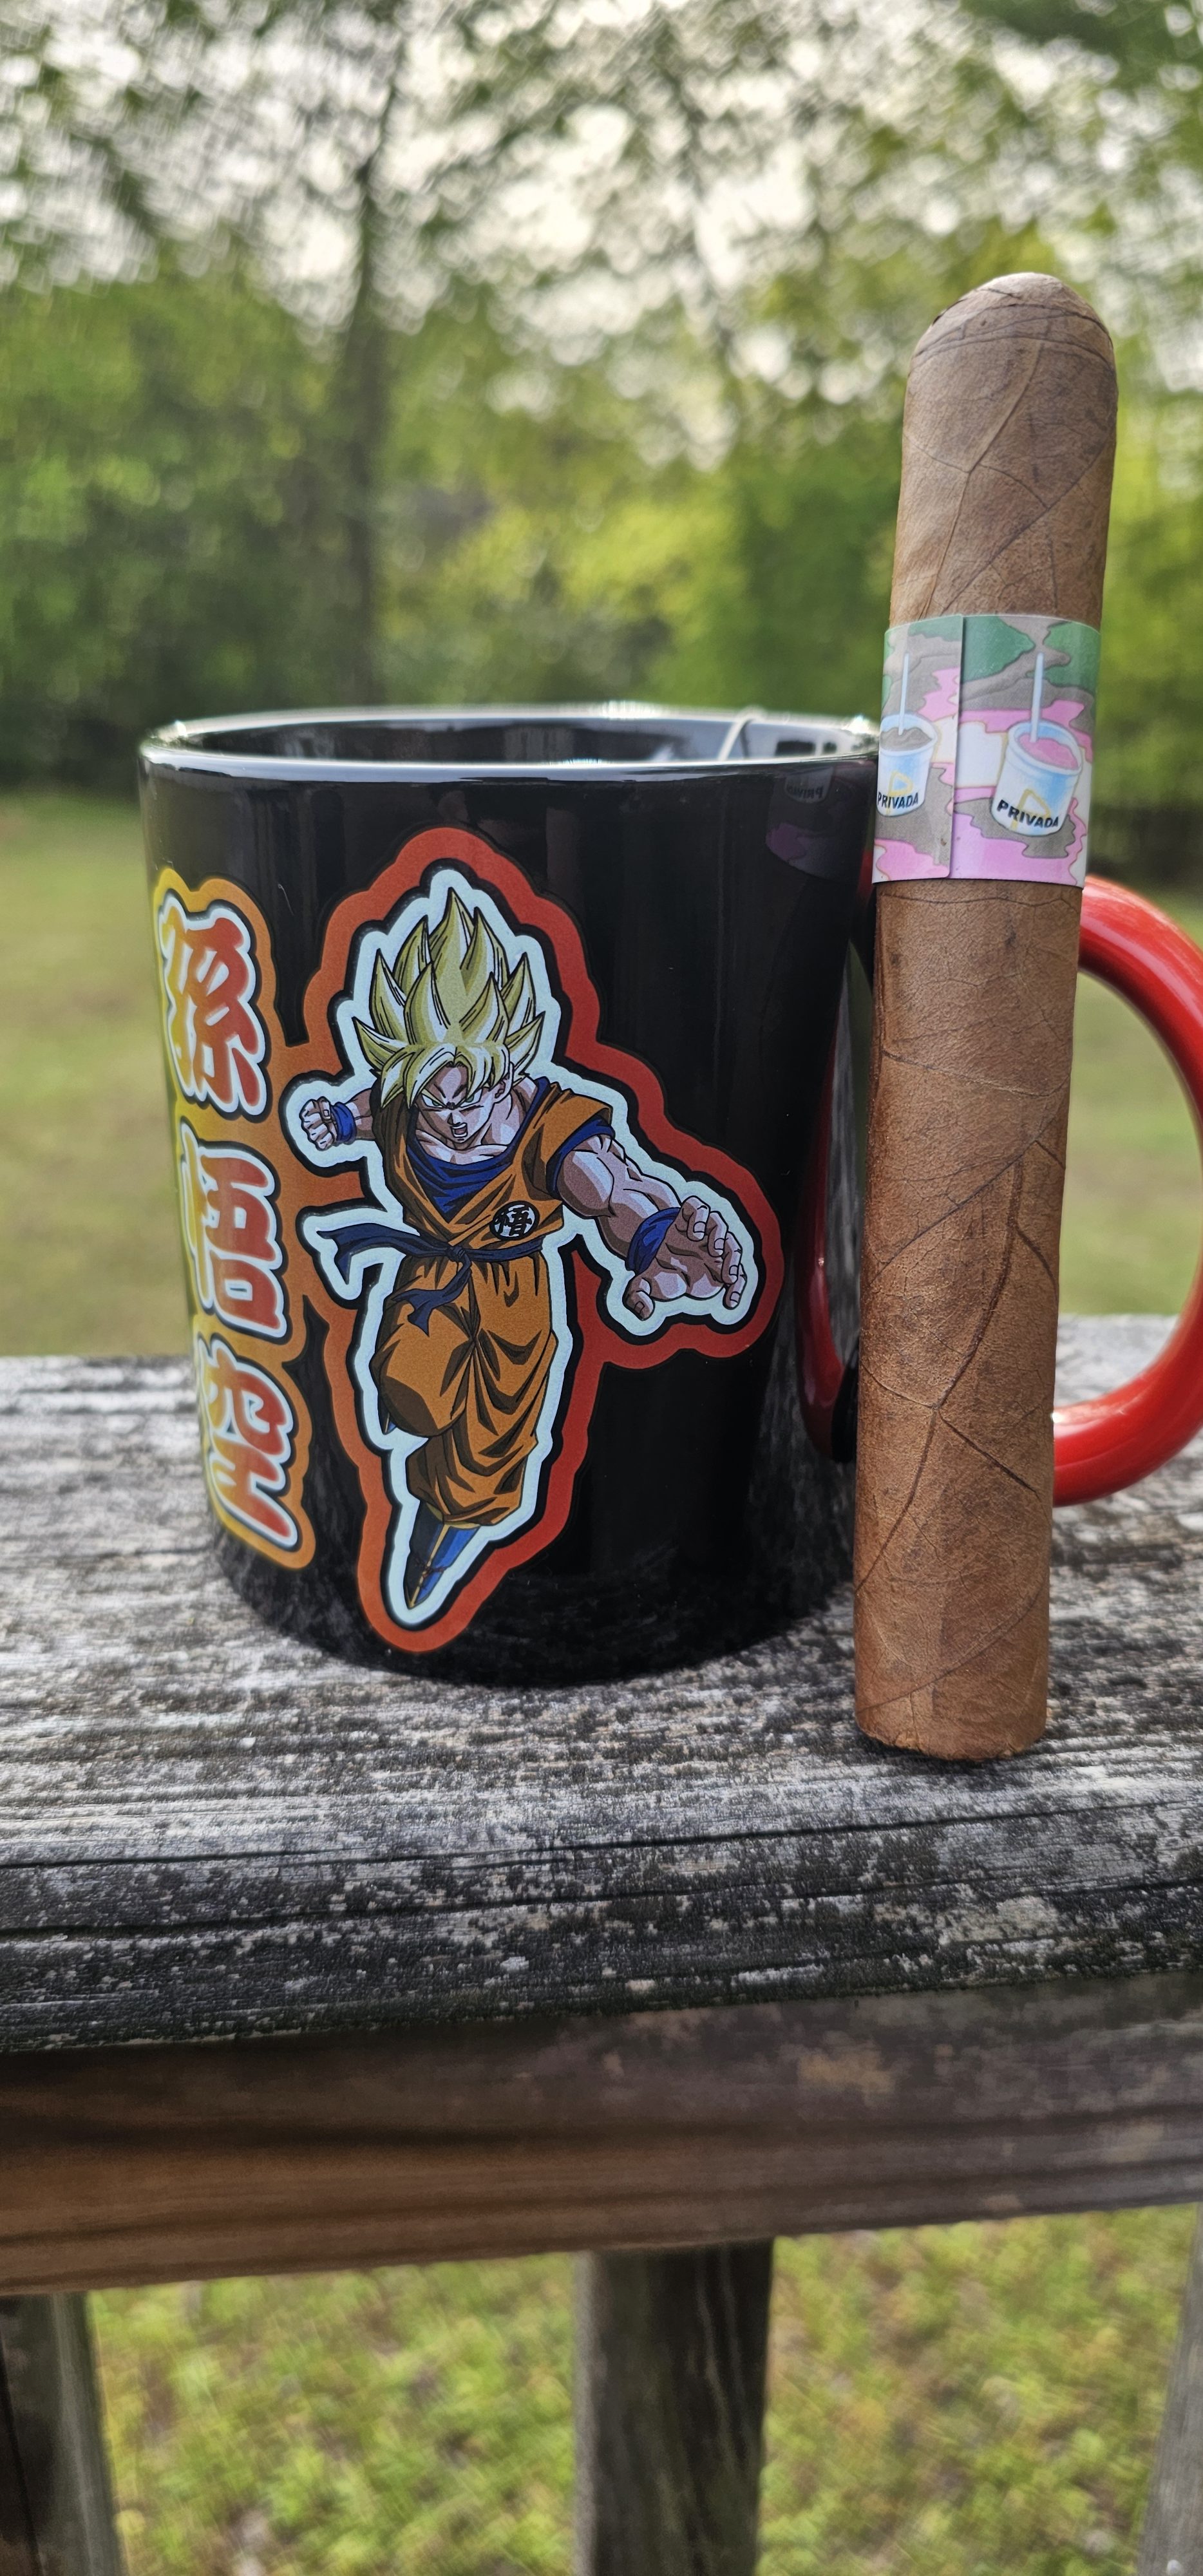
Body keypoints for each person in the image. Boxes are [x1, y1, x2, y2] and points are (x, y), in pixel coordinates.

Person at [300, 885, 746, 1611]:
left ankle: (438, 1548)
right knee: (411, 1392)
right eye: (435, 1100)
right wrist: (337, 1121)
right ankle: (420, 1468)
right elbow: (372, 1108)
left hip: (515, 1301)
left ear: (508, 1063)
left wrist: (656, 1238)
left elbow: (614, 1189)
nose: (456, 1120)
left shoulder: (551, 1131)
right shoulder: (404, 1099)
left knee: (487, 1454)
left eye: (473, 1095)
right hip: (432, 1277)